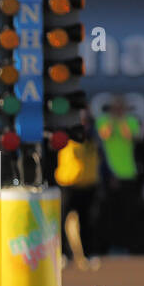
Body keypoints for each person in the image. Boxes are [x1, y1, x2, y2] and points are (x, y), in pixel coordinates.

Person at [96, 95, 142, 253]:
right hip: (110, 173)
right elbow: (105, 135)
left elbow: (131, 136)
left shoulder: (130, 121)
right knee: (111, 212)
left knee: (128, 212)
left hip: (128, 173)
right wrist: (112, 119)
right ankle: (113, 246)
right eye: (116, 107)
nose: (118, 110)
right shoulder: (103, 120)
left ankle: (127, 246)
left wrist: (122, 119)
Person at [55, 108, 101, 265]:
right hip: (68, 185)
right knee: (60, 222)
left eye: (86, 122)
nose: (84, 125)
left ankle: (87, 255)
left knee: (87, 222)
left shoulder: (93, 140)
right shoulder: (66, 137)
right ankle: (63, 254)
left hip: (88, 186)